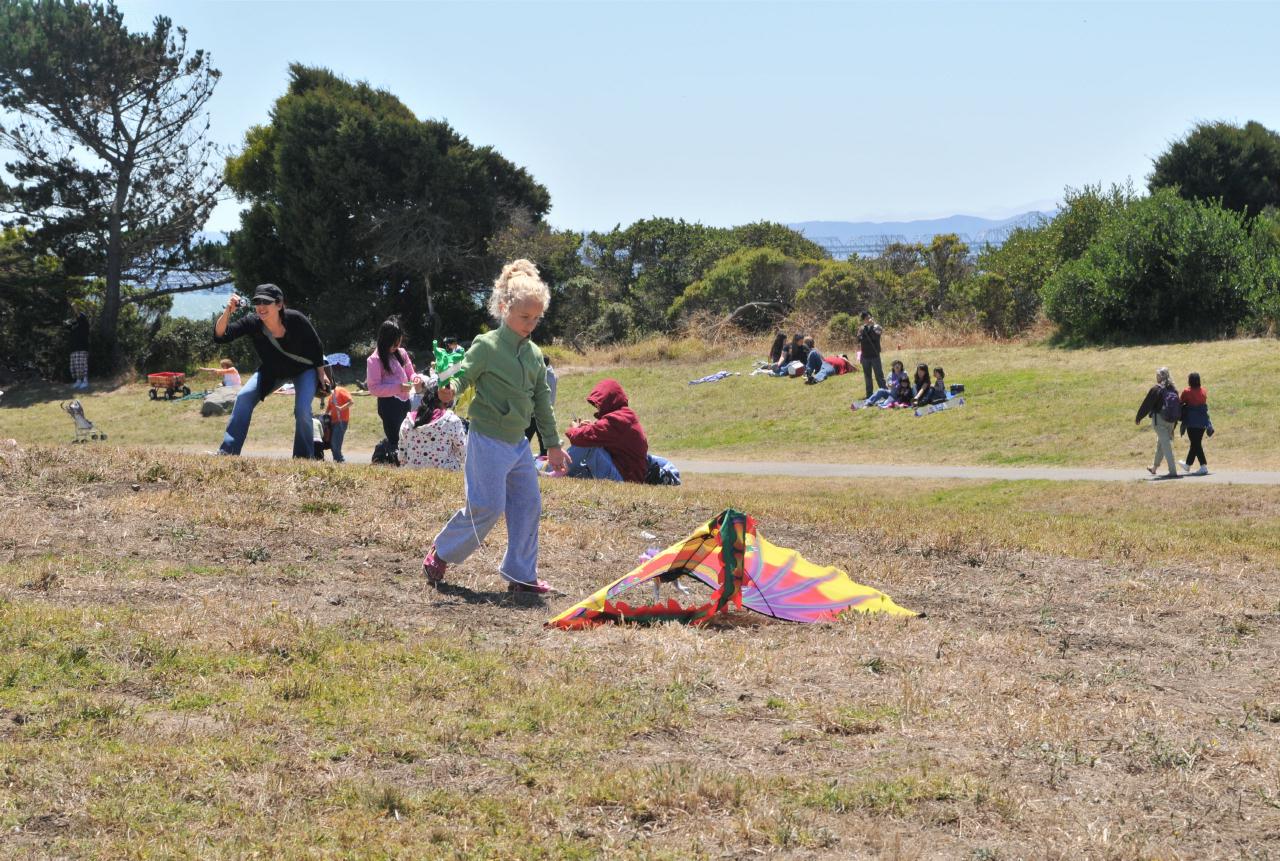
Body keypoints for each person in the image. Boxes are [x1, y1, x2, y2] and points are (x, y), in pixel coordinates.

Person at [421, 259, 569, 594]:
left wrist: (553, 445)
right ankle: (442, 552)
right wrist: (450, 390)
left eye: (535, 318)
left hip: (518, 445)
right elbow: (463, 376)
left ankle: (521, 576)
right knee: (487, 506)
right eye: (524, 317)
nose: (530, 325)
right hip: (487, 440)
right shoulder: (486, 345)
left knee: (528, 505)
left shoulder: (533, 355)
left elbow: (542, 402)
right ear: (504, 308)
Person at [212, 284, 329, 458]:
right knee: (243, 397)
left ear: (279, 304)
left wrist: (321, 374)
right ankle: (228, 452)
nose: (261, 306)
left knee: (302, 410)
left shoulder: (296, 319)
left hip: (304, 369)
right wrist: (228, 311)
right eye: (257, 301)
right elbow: (221, 336)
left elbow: (316, 345)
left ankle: (304, 458)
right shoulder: (252, 322)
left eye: (266, 301)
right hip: (273, 371)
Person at [564, 378, 649, 482]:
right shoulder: (625, 416)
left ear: (608, 400)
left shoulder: (618, 419)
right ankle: (558, 468)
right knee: (586, 449)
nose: (598, 407)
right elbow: (603, 434)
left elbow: (583, 437)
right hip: (626, 475)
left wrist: (574, 428)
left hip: (624, 480)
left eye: (599, 403)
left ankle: (554, 468)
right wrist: (589, 427)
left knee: (589, 444)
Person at [366, 318, 416, 465]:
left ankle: (402, 464)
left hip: (405, 402)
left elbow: (411, 373)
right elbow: (374, 388)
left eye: (398, 342)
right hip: (388, 405)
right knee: (395, 439)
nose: (396, 346)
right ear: (384, 341)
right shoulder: (374, 360)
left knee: (406, 436)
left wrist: (415, 379)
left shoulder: (402, 353)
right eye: (393, 344)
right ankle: (392, 463)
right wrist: (399, 387)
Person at [398, 375, 467, 470]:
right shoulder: (452, 421)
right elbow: (463, 455)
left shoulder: (408, 421)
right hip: (446, 476)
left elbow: (402, 456)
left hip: (414, 475)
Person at [1135, 366, 1180, 479]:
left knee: (1165, 445)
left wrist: (1139, 417)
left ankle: (1173, 471)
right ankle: (1154, 468)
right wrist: (1174, 424)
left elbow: (1147, 404)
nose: (1156, 377)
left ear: (1160, 377)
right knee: (1161, 444)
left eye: (1157, 375)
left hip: (1159, 421)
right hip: (1171, 421)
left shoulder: (1156, 389)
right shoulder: (1173, 389)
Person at [1178, 372, 1213, 476]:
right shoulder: (1203, 391)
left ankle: (1203, 466)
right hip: (1203, 422)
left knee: (1196, 444)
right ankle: (1188, 465)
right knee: (1195, 443)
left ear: (1190, 381)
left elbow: (1180, 402)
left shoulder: (1187, 391)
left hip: (1192, 422)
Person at [525, 355, 557, 457]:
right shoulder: (553, 375)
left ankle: (521, 456)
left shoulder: (543, 376)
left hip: (537, 411)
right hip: (547, 410)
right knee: (542, 437)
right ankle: (544, 456)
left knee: (525, 436)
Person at [857, 311, 886, 399]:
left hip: (875, 355)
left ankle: (884, 392)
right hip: (865, 356)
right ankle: (869, 394)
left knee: (879, 376)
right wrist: (862, 335)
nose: (868, 320)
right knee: (867, 377)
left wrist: (872, 327)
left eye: (869, 317)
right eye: (866, 318)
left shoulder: (877, 327)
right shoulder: (861, 329)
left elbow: (875, 337)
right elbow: (859, 339)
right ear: (863, 320)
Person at [323, 383, 353, 463]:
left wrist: (341, 408)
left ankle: (340, 461)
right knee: (332, 444)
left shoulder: (341, 390)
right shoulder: (331, 395)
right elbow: (329, 408)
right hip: (333, 422)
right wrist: (325, 415)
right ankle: (337, 461)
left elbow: (351, 402)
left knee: (335, 443)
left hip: (341, 421)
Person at [68, 310, 90, 390]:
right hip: (74, 349)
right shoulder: (74, 327)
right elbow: (67, 325)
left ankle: (85, 381)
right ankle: (78, 381)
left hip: (82, 349)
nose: (77, 318)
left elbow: (82, 319)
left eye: (78, 317)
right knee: (75, 367)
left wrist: (77, 312)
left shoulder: (84, 325)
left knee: (82, 366)